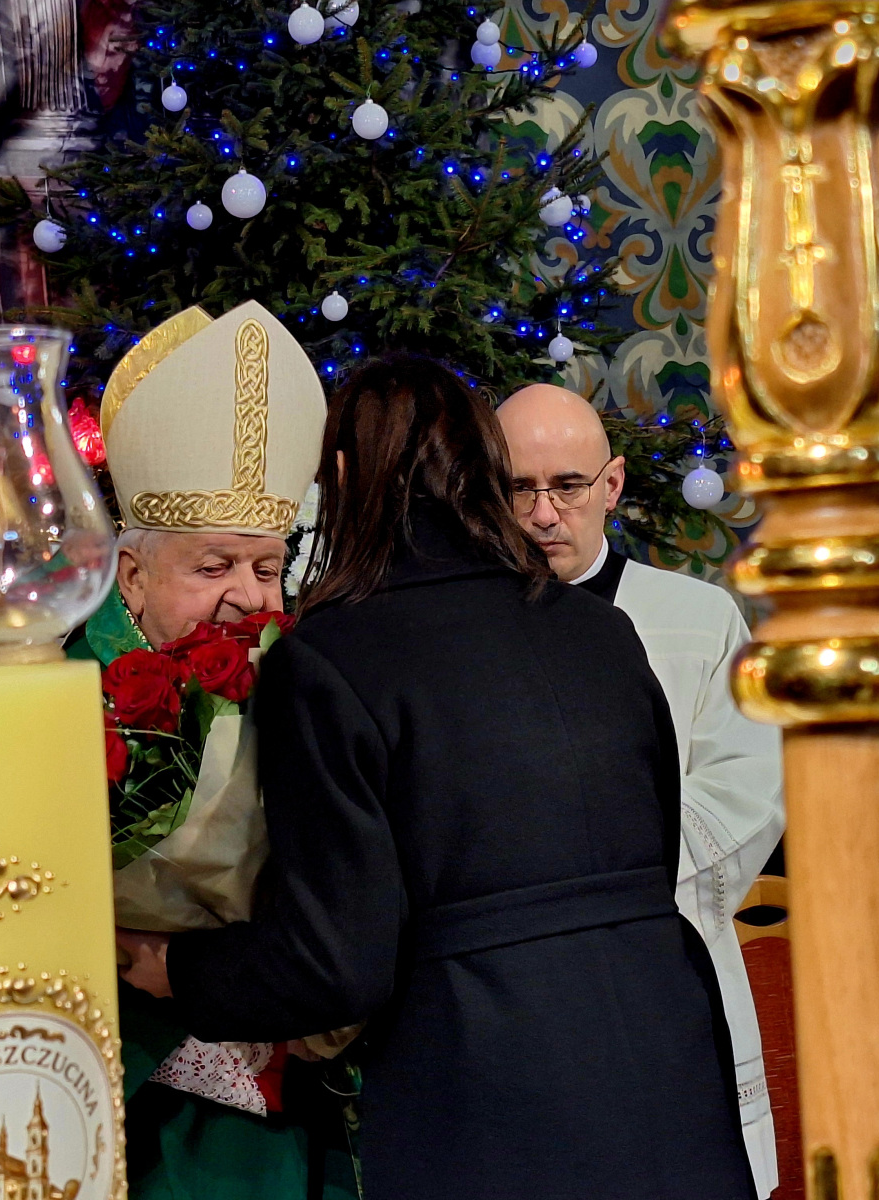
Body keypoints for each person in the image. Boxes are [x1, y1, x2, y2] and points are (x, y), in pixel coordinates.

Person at [119, 354, 755, 1200]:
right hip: (666, 1054)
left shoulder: (333, 658)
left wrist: (179, 970)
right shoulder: (601, 630)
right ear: (487, 470)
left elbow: (340, 963)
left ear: (343, 477)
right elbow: (657, 845)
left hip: (486, 1078)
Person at [67, 300, 353, 1200]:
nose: (247, 598)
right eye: (212, 566)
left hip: (291, 1048)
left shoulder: (306, 679)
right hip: (130, 1073)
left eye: (266, 569)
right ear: (132, 574)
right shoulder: (61, 696)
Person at [494, 383, 784, 1199]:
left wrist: (600, 888)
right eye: (518, 489)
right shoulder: (458, 635)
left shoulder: (697, 619)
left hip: (665, 974)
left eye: (567, 487)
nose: (543, 514)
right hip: (516, 1003)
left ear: (612, 485)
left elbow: (747, 797)